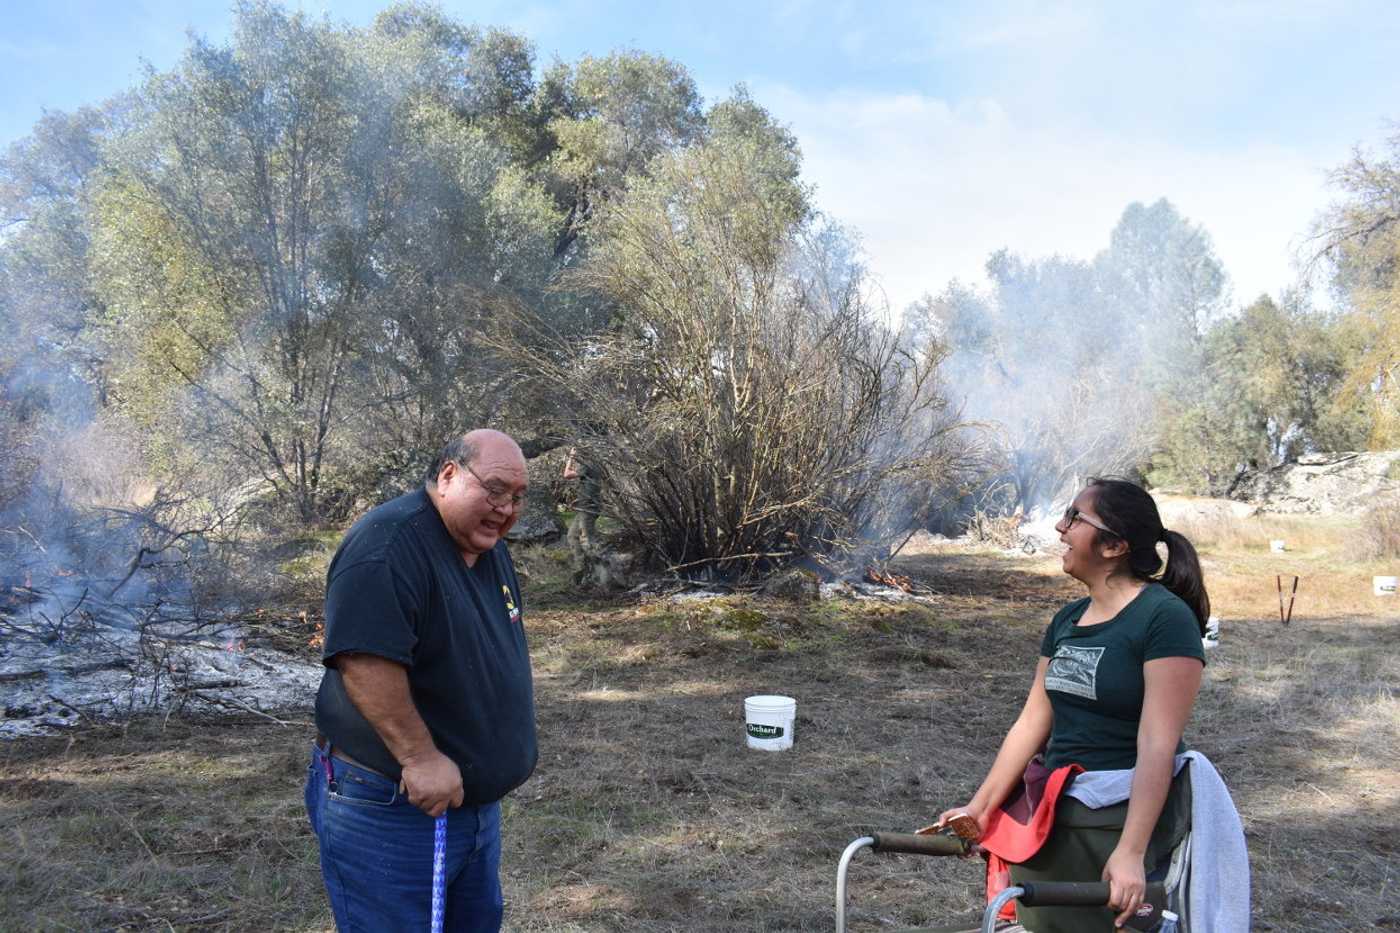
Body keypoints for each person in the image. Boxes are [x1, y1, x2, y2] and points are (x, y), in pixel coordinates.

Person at [939, 478, 1209, 932]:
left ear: (1114, 545)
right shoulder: (1067, 619)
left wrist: (1130, 852)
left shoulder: (1165, 620)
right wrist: (979, 808)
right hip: (1052, 818)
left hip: (1115, 823)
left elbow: (1157, 745)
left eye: (1074, 518)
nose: (1060, 528)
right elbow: (1031, 723)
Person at [305, 429, 536, 932]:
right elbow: (364, 661)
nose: (506, 508)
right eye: (495, 489)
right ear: (449, 475)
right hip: (393, 805)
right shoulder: (389, 544)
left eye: (518, 497)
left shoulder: (484, 542)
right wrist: (420, 757)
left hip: (471, 807)